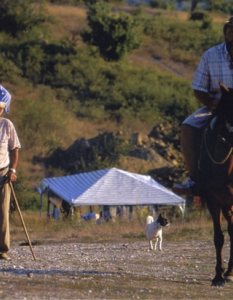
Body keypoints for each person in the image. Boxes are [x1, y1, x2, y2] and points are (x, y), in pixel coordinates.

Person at [173, 17, 233, 196]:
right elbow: (198, 89)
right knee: (187, 126)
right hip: (218, 106)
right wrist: (211, 103)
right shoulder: (211, 55)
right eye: (229, 30)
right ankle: (194, 181)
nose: (231, 34)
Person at [0, 85, 21, 260]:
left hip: (2, 172)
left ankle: (2, 249)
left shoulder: (6, 125)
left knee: (2, 211)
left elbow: (15, 149)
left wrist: (12, 170)